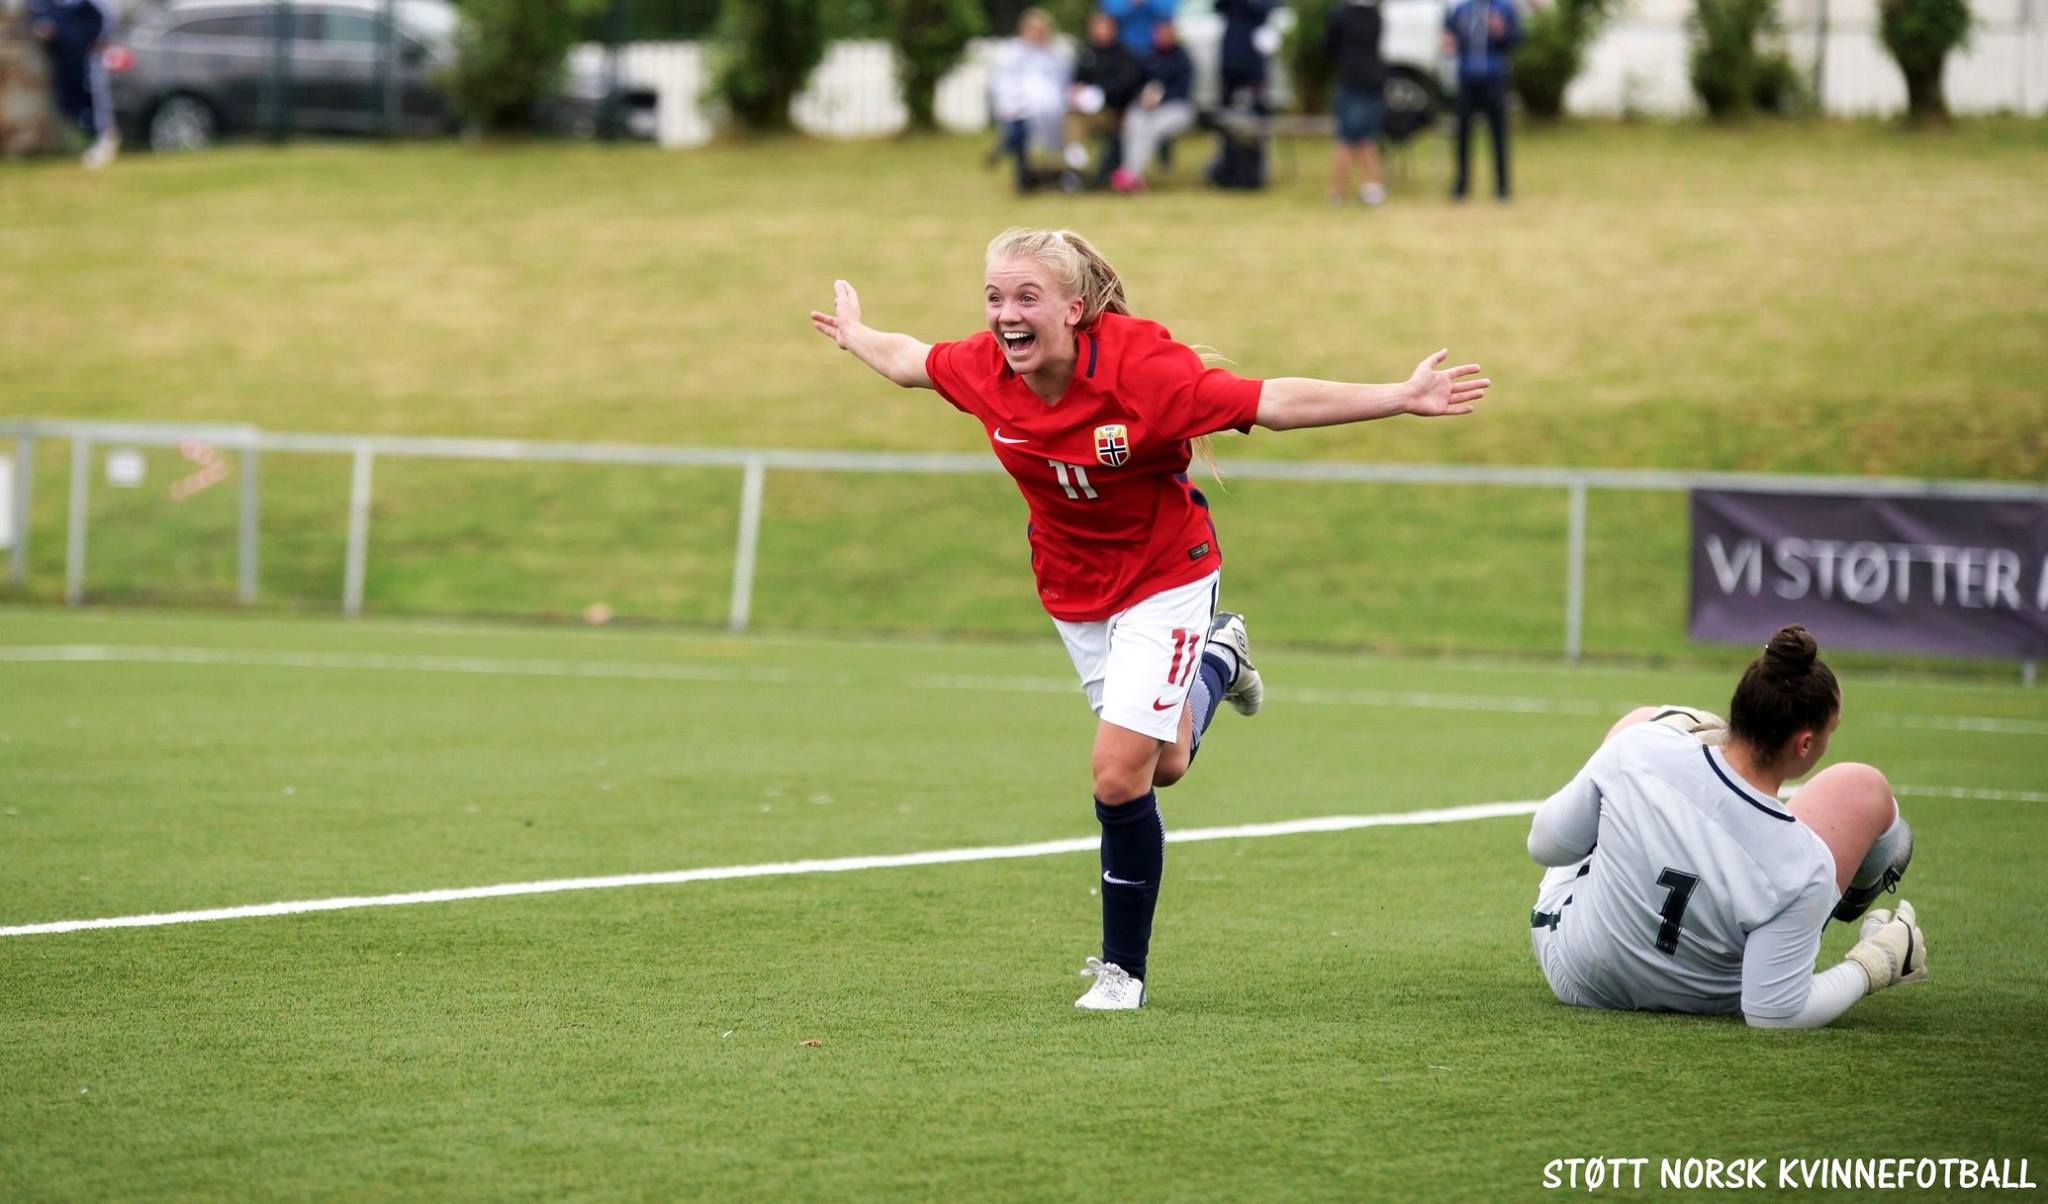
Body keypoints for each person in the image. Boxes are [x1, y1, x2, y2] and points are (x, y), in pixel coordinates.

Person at [810, 228, 1489, 1009]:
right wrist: (857, 335)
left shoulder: (1144, 372)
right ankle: (1221, 658)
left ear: (1074, 307)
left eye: (1026, 297)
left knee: (1114, 772)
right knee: (1160, 764)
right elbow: (908, 363)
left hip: (1166, 576)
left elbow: (1275, 403)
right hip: (1074, 592)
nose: (1004, 315)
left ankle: (1121, 973)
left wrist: (1398, 398)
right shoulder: (987, 368)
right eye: (994, 298)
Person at [1525, 625, 1925, 1029]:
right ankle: (1856, 893)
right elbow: (1774, 1013)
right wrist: (1876, 963)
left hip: (1579, 972)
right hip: (1706, 999)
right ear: (1805, 744)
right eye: (1830, 730)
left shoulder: (1639, 747)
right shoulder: (1806, 862)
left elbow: (1546, 846)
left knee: (1647, 720)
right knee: (1864, 788)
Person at [1443, 0, 1519, 200]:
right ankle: (1461, 186)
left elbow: (1515, 40)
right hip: (1467, 79)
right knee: (1462, 136)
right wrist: (1448, 42)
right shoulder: (1461, 10)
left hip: (1493, 79)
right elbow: (1449, 37)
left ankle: (1502, 187)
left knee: (1498, 134)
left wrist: (1501, 32)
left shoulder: (1505, 8)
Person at [990, 8, 1071, 194]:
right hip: (1020, 107)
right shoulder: (1013, 53)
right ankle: (1023, 177)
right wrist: (1010, 104)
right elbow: (1003, 83)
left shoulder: (1055, 55)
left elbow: (1062, 83)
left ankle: (1004, 149)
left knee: (1033, 133)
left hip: (1052, 110)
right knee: (1020, 129)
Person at [27, 0, 115, 168]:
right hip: (63, 59)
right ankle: (88, 139)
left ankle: (103, 139)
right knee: (67, 104)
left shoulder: (89, 6)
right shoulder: (43, 4)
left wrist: (90, 41)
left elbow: (102, 19)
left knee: (95, 102)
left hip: (86, 57)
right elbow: (37, 18)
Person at [1111, 21, 1193, 193]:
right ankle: (1130, 172)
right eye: (1159, 33)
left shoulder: (1182, 58)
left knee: (1152, 128)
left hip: (1175, 108)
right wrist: (1144, 98)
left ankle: (1132, 175)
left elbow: (1184, 91)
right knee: (1134, 122)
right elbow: (1136, 85)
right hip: (1147, 108)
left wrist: (1160, 100)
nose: (1162, 37)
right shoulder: (1149, 56)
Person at [1065, 12, 1144, 188]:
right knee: (1073, 117)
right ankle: (1074, 168)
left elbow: (1127, 85)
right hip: (1086, 112)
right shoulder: (1087, 52)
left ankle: (1074, 169)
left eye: (1103, 26)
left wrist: (1099, 93)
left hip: (1116, 112)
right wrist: (1078, 91)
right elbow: (1078, 80)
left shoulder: (1124, 55)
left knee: (1075, 119)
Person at [1325, 0, 1388, 206]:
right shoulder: (1375, 16)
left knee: (1346, 137)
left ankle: (1337, 191)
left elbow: (1329, 48)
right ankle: (1372, 186)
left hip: (1351, 81)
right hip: (1374, 81)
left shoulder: (1340, 16)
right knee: (1367, 138)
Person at [1215, 0, 1277, 112]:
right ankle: (1226, 118)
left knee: (1256, 91)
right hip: (1233, 43)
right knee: (1228, 89)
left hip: (1255, 45)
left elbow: (1267, 8)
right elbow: (1218, 7)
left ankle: (1258, 117)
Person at [1097, 0, 1177, 60]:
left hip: (1156, 51)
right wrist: (1129, 3)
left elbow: (1168, 9)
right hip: (1122, 51)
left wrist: (1147, 2)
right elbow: (1108, 9)